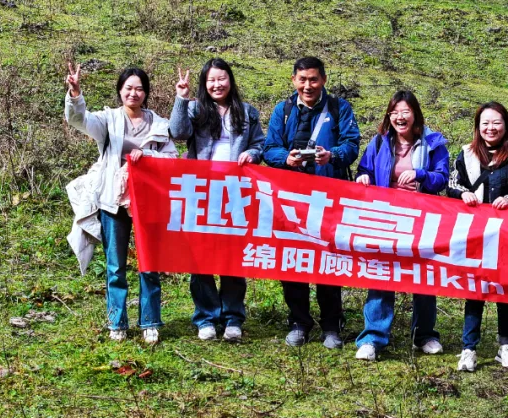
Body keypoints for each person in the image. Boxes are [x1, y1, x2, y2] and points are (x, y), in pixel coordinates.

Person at [64, 63, 176, 344]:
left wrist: (148, 157)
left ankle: (150, 321)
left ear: (146, 93)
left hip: (148, 201)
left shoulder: (159, 124)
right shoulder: (108, 120)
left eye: (139, 88)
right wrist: (75, 94)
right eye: (128, 88)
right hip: (113, 201)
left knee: (149, 263)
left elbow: (173, 159)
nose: (133, 93)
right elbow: (79, 120)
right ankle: (117, 321)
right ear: (120, 91)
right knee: (115, 265)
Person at [262, 57, 360, 349]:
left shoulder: (339, 108)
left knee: (329, 259)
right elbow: (270, 148)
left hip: (329, 196)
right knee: (293, 260)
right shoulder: (284, 110)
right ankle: (299, 321)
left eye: (313, 80)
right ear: (293, 80)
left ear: (324, 80)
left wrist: (332, 155)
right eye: (302, 80)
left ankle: (332, 325)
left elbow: (352, 145)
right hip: (292, 198)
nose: (308, 85)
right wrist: (285, 158)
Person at [169, 58, 264, 343]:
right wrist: (181, 99)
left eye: (221, 79)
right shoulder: (196, 109)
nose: (217, 84)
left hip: (235, 192)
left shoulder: (247, 113)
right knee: (200, 257)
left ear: (230, 81)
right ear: (204, 83)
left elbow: (260, 143)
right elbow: (178, 132)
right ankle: (206, 317)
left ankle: (233, 317)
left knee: (232, 256)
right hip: (201, 191)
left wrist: (253, 155)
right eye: (211, 80)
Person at [353, 91, 450, 361]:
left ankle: (425, 335)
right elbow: (365, 169)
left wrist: (421, 174)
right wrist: (363, 177)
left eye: (405, 111)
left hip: (422, 220)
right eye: (394, 112)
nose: (399, 117)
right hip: (387, 218)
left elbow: (442, 179)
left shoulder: (433, 143)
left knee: (423, 277)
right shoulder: (379, 143)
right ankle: (373, 337)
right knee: (381, 276)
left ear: (416, 114)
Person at [447, 101, 508, 372]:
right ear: (477, 126)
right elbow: (452, 183)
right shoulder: (467, 153)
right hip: (476, 234)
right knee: (475, 290)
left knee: (505, 289)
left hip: (507, 233)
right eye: (485, 123)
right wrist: (463, 193)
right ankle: (468, 347)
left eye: (496, 123)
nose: (491, 128)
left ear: (505, 125)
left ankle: (505, 344)